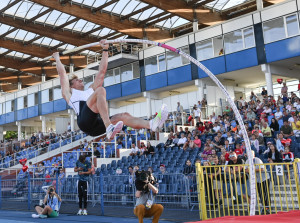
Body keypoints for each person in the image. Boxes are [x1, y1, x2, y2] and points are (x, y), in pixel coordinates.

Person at [52, 41, 168, 139]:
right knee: (100, 90)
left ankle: (150, 124)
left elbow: (102, 72)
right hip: (85, 122)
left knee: (123, 115)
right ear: (71, 85)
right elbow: (62, 74)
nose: (81, 80)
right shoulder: (70, 94)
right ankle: (109, 127)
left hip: (97, 125)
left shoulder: (90, 90)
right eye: (77, 80)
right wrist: (57, 58)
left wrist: (105, 50)